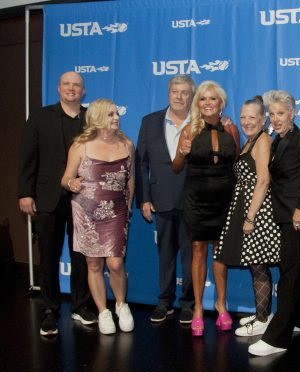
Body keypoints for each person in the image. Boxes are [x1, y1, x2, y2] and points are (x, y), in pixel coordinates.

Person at [17, 71, 96, 336]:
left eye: (76, 85)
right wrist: (25, 193)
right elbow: (28, 157)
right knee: (49, 256)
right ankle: (50, 310)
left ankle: (81, 306)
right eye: (66, 84)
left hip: (83, 199)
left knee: (81, 256)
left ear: (83, 91)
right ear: (59, 88)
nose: (71, 89)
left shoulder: (91, 118)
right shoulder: (40, 116)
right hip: (48, 198)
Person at [248, 90, 300, 356]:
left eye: (281, 113)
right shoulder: (280, 140)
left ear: (292, 114)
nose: (276, 118)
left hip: (298, 219)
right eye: (272, 114)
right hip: (285, 217)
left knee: (290, 275)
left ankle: (276, 339)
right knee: (295, 270)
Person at [60, 98, 135, 335]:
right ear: (97, 117)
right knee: (93, 263)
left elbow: (130, 180)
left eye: (117, 114)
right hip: (87, 211)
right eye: (111, 114)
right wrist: (71, 183)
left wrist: (128, 207)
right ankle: (103, 311)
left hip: (117, 210)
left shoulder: (127, 145)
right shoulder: (80, 146)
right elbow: (66, 178)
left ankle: (121, 305)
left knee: (115, 263)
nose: (116, 118)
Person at [172, 81, 239, 337]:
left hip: (224, 200)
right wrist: (182, 151)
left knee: (220, 252)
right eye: (203, 99)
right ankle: (198, 308)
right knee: (198, 249)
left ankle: (221, 305)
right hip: (197, 200)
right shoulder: (189, 129)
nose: (208, 103)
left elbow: (237, 161)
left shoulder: (231, 128)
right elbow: (176, 166)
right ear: (197, 103)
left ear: (221, 103)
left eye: (213, 99)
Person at [215, 96, 280, 337]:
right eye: (243, 117)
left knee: (258, 265)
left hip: (258, 211)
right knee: (256, 265)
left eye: (252, 117)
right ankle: (262, 312)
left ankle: (262, 319)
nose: (246, 121)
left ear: (263, 120)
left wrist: (251, 217)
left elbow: (263, 180)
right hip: (248, 207)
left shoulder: (262, 141)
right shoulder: (251, 141)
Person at [136, 75, 195, 324]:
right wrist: (144, 199)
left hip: (192, 201)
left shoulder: (200, 123)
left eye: (184, 92)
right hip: (161, 199)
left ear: (191, 96)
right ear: (168, 93)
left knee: (191, 257)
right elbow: (142, 164)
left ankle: (189, 304)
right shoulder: (150, 121)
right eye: (174, 91)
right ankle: (164, 302)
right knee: (166, 255)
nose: (179, 96)